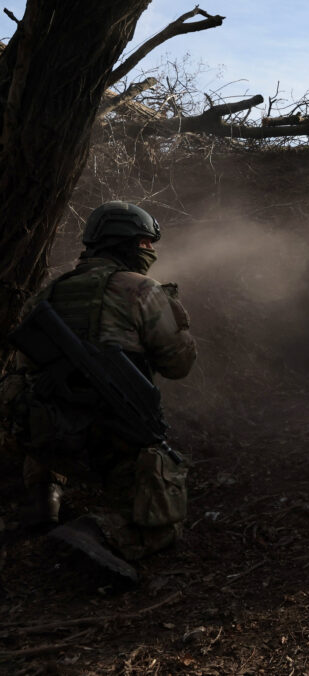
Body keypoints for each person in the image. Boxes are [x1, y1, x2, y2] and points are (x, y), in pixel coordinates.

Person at [3, 201, 197, 583]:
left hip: (49, 439)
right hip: (110, 442)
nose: (150, 250)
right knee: (164, 522)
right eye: (145, 242)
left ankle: (43, 501)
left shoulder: (47, 295)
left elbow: (25, 372)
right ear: (125, 243)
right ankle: (95, 532)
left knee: (49, 400)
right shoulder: (142, 290)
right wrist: (179, 320)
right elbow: (179, 365)